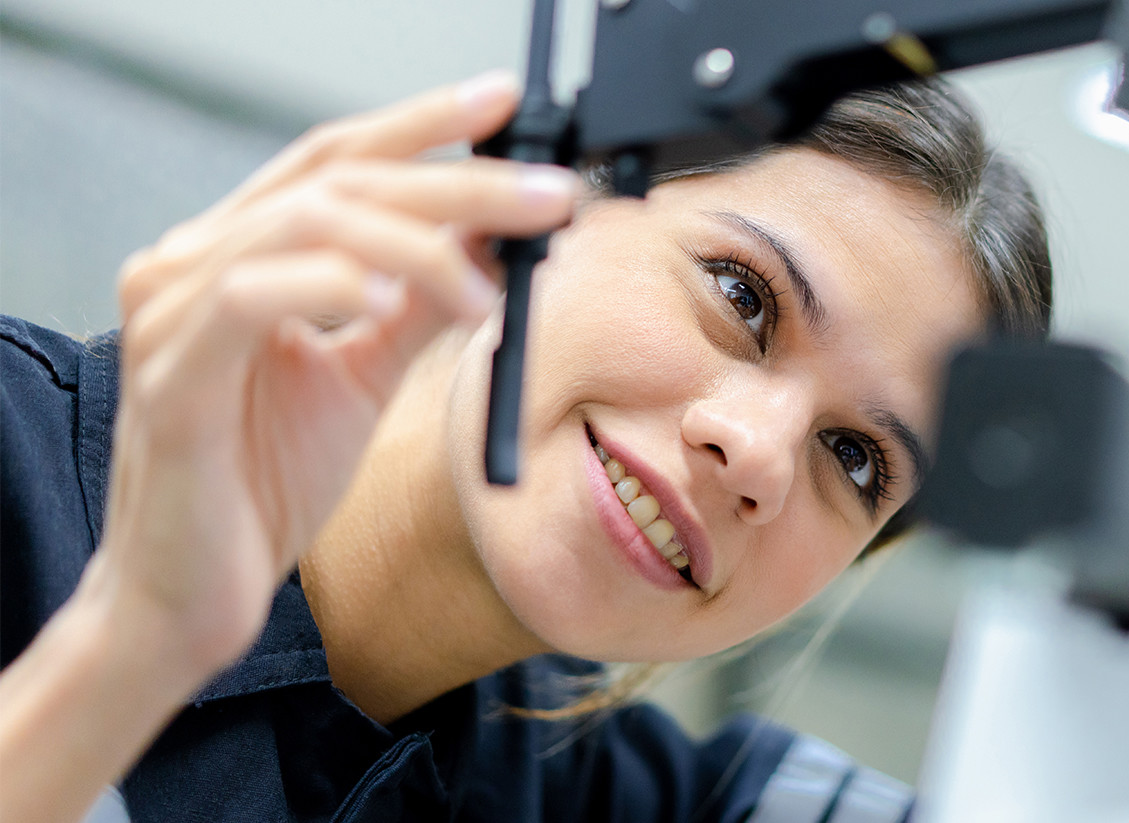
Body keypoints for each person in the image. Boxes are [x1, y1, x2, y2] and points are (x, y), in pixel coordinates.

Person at [0, 68, 1051, 822]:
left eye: (856, 459)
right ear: (538, 202)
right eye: (742, 294)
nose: (760, 452)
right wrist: (128, 650)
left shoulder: (619, 791)